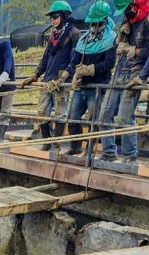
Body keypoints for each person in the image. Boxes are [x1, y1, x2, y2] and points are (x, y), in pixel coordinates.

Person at [21, 1, 80, 151]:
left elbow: (75, 58)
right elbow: (45, 58)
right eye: (51, 18)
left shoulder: (74, 33)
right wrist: (36, 74)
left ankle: (56, 144)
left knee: (60, 113)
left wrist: (66, 75)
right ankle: (46, 142)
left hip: (62, 81)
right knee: (42, 111)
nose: (52, 21)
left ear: (64, 16)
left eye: (55, 17)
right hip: (48, 79)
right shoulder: (53, 35)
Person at [63, 1, 117, 156]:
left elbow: (109, 63)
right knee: (73, 117)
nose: (94, 26)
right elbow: (75, 60)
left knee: (95, 119)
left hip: (98, 85)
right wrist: (74, 72)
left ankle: (90, 150)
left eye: (97, 23)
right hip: (81, 86)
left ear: (105, 20)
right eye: (92, 23)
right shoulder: (84, 39)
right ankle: (75, 146)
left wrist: (91, 69)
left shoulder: (111, 38)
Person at [99, 0, 149, 163]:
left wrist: (142, 76)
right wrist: (120, 38)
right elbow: (118, 47)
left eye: (127, 9)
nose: (126, 13)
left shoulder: (147, 20)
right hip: (119, 71)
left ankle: (130, 156)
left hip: (135, 72)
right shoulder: (127, 19)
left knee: (124, 117)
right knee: (103, 115)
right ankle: (108, 153)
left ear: (135, 5)